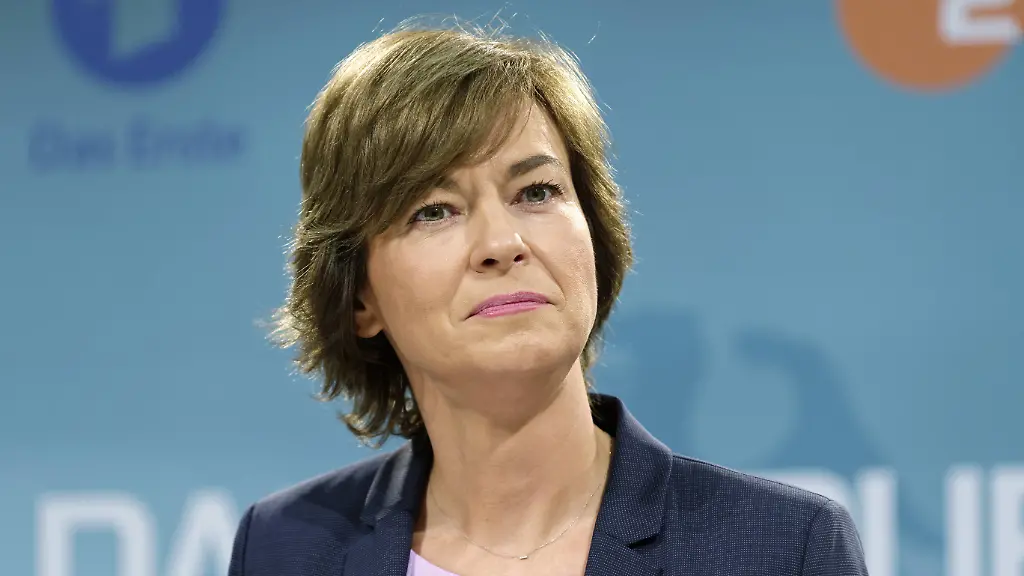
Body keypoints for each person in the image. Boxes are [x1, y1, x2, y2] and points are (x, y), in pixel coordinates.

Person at [226, 20, 870, 576]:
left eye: (536, 192)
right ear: (359, 298)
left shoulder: (782, 547)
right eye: (434, 210)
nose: (501, 244)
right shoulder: (284, 548)